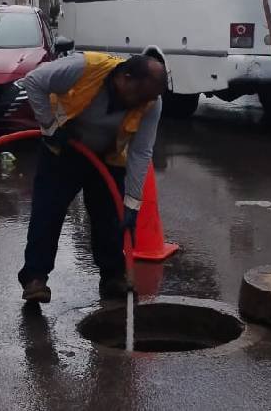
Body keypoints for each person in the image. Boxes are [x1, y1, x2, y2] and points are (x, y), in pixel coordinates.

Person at [17, 49, 168, 303]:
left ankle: (113, 278)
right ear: (125, 77)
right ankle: (35, 278)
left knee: (110, 219)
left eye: (148, 99)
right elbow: (33, 81)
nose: (142, 104)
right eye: (139, 96)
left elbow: (141, 152)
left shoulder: (151, 102)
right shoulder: (82, 67)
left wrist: (131, 203)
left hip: (107, 158)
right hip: (63, 150)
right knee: (48, 212)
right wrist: (50, 127)